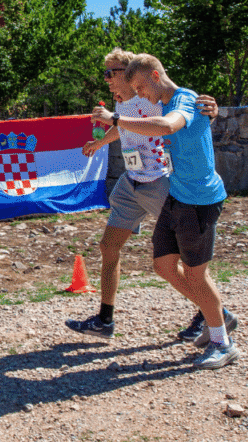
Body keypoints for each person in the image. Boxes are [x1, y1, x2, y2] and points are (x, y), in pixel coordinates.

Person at [91, 53, 239, 370]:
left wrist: (114, 120)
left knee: (196, 273)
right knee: (163, 266)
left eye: (143, 87)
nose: (141, 94)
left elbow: (166, 126)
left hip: (199, 199)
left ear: (156, 77)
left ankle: (221, 341)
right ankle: (217, 319)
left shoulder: (183, 102)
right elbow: (174, 118)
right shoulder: (170, 100)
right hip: (177, 195)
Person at [67, 48, 223, 341]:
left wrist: (210, 110)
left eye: (111, 73)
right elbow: (127, 129)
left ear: (129, 74)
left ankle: (211, 314)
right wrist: (101, 143)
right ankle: (105, 319)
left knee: (187, 262)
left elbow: (181, 116)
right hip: (132, 182)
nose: (107, 80)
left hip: (160, 183)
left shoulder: (151, 100)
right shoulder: (122, 104)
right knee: (108, 246)